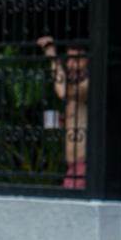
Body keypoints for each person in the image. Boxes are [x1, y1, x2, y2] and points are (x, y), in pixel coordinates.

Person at [36, 35, 89, 189]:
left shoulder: (88, 85)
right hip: (73, 167)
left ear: (90, 61)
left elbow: (62, 91)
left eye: (78, 59)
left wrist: (52, 55)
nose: (71, 65)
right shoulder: (76, 87)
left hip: (85, 167)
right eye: (70, 59)